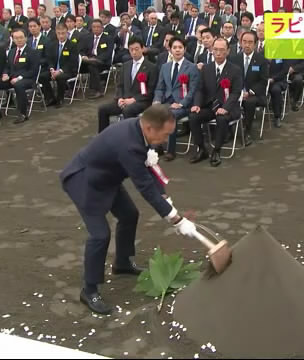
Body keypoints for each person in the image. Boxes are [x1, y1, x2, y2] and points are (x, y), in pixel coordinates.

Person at [60, 104, 198, 314]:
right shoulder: (128, 144)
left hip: (108, 178)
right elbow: (144, 186)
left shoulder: (139, 129)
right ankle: (89, 289)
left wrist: (167, 200)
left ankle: (123, 262)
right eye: (166, 134)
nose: (167, 140)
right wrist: (176, 220)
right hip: (84, 180)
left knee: (129, 214)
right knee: (100, 235)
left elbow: (150, 169)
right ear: (151, 128)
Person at [188, 37, 243, 167]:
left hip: (228, 107)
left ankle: (216, 150)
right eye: (216, 50)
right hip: (210, 106)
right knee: (193, 116)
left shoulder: (235, 70)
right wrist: (196, 104)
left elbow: (236, 92)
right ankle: (201, 149)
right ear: (212, 50)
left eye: (222, 50)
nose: (218, 53)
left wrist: (226, 107)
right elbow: (200, 90)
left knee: (222, 118)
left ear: (228, 51)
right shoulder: (206, 69)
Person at [154, 37, 200, 160]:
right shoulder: (165, 67)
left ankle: (171, 150)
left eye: (180, 47)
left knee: (171, 115)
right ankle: (157, 145)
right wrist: (157, 100)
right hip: (167, 101)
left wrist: (181, 104)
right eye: (174, 48)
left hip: (184, 103)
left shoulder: (191, 67)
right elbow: (159, 88)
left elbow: (193, 90)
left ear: (185, 49)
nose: (177, 50)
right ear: (170, 49)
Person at [98, 37, 157, 132]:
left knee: (128, 110)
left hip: (142, 101)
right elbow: (120, 85)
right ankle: (102, 138)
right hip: (124, 100)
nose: (134, 52)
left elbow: (151, 90)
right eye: (131, 49)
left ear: (142, 49)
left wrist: (134, 99)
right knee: (103, 109)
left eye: (136, 49)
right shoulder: (126, 65)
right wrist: (120, 98)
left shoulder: (151, 67)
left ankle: (128, 138)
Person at [0, 28, 41, 124]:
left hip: (27, 79)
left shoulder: (32, 52)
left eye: (21, 37)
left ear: (26, 38)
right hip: (11, 78)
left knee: (19, 85)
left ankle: (23, 113)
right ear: (13, 39)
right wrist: (5, 74)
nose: (19, 40)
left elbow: (33, 71)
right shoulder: (12, 51)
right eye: (16, 38)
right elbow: (7, 66)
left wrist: (19, 78)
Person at [229, 30, 269, 145]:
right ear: (240, 43)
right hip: (237, 92)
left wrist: (250, 92)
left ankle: (247, 131)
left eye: (250, 42)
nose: (247, 45)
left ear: (255, 44)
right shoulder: (234, 59)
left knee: (249, 102)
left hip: (254, 94)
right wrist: (239, 92)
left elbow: (263, 81)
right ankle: (228, 130)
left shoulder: (261, 60)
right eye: (244, 42)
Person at [39, 23, 78, 108]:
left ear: (67, 33)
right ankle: (50, 98)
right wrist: (52, 69)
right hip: (54, 70)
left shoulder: (72, 45)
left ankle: (60, 99)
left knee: (60, 77)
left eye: (63, 33)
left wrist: (60, 71)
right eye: (59, 33)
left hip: (68, 71)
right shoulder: (52, 45)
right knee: (42, 76)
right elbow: (49, 59)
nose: (61, 36)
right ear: (56, 33)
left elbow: (72, 62)